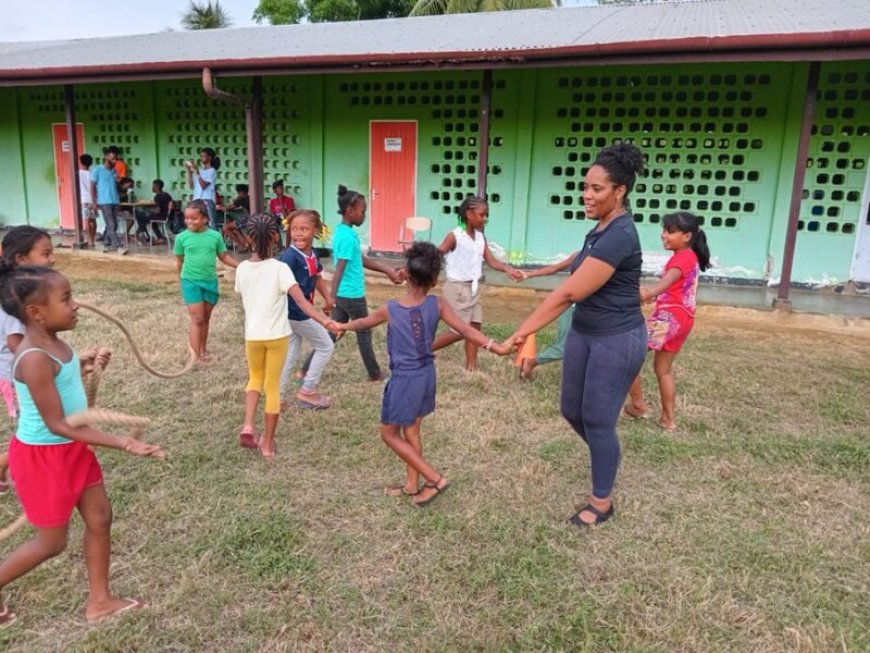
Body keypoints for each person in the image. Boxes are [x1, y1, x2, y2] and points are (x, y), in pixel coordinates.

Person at [0, 263, 163, 626]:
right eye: (67, 299)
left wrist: (84, 366)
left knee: (100, 518)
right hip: (45, 458)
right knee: (51, 543)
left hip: (72, 451)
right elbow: (58, 423)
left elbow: (64, 386)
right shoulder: (33, 358)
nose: (76, 305)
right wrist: (123, 442)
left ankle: (100, 601)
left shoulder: (55, 343)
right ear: (36, 313)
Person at [505, 143, 647, 528]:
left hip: (617, 338)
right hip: (584, 333)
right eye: (585, 186)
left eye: (597, 189)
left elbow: (568, 293)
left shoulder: (620, 233)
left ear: (620, 192)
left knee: (599, 420)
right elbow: (574, 265)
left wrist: (521, 333)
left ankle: (601, 502)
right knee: (572, 409)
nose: (587, 194)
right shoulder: (598, 229)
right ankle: (607, 455)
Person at [336, 242, 511, 506]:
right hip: (426, 375)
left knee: (389, 434)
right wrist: (494, 346)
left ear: (405, 272)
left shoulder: (392, 308)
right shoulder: (438, 304)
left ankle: (434, 479)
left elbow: (364, 322)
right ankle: (411, 485)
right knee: (412, 430)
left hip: (405, 379)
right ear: (433, 279)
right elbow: (465, 330)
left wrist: (342, 325)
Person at [234, 214, 338, 459]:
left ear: (248, 238)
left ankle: (248, 425)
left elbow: (245, 294)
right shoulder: (281, 268)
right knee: (272, 387)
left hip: (253, 336)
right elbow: (302, 302)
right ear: (275, 236)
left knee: (254, 379)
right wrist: (325, 321)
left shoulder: (241, 269)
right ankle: (268, 444)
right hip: (277, 336)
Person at [624, 211, 711, 431]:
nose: (664, 235)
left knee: (627, 353)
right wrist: (654, 295)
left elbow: (669, 279)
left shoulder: (682, 257)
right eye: (664, 230)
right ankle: (668, 420)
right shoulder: (688, 256)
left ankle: (638, 406)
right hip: (684, 319)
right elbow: (674, 287)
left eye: (671, 231)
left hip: (669, 318)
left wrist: (647, 293)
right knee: (663, 370)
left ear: (687, 236)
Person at [432, 196, 523, 372]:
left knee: (475, 327)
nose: (485, 219)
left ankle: (471, 366)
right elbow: (438, 252)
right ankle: (422, 350)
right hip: (457, 289)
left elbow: (490, 260)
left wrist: (506, 268)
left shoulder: (480, 237)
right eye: (482, 215)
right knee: (459, 331)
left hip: (473, 288)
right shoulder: (454, 236)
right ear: (468, 214)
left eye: (486, 215)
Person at [327, 185, 404, 382]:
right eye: (363, 211)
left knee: (336, 330)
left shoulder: (345, 232)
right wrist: (330, 297)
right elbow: (340, 269)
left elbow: (360, 259)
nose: (365, 216)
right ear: (350, 211)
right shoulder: (346, 236)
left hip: (344, 294)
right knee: (363, 331)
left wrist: (387, 270)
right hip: (352, 294)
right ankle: (375, 373)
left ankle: (306, 368)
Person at [0, 227, 56, 494]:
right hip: (19, 375)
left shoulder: (26, 289)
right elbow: (15, 343)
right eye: (45, 254)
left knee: (38, 424)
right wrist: (44, 364)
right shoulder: (15, 295)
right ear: (21, 258)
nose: (52, 259)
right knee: (34, 427)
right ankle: (14, 468)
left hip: (26, 372)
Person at [279, 210, 335, 410]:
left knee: (291, 354)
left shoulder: (311, 254)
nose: (298, 234)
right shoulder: (289, 257)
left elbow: (317, 276)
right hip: (298, 314)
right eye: (294, 229)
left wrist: (328, 298)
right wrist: (322, 318)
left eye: (304, 229)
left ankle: (278, 397)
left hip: (296, 314)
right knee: (326, 346)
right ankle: (308, 391)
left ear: (316, 231)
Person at [174, 200, 238, 363]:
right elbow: (180, 261)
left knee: (206, 318)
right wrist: (180, 280)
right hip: (190, 282)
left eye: (194, 218)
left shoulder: (215, 236)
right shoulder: (181, 238)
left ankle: (203, 350)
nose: (189, 222)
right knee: (197, 319)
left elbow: (223, 256)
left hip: (210, 281)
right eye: (186, 218)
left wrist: (240, 266)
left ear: (205, 219)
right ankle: (195, 356)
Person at [515, 253, 581, 380]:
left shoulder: (612, 257)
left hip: (594, 310)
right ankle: (532, 361)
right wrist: (528, 274)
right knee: (563, 347)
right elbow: (554, 268)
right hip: (572, 307)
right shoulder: (580, 255)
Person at [89, 153, 127, 255]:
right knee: (111, 224)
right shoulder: (97, 170)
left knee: (113, 225)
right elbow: (92, 186)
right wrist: (94, 202)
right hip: (104, 201)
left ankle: (106, 243)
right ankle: (118, 246)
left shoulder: (114, 171)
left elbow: (117, 185)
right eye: (113, 159)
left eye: (116, 159)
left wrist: (121, 182)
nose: (115, 161)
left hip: (115, 201)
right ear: (106, 158)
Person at [184, 148, 219, 230]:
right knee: (197, 224)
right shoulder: (200, 170)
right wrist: (188, 171)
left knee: (212, 225)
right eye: (201, 156)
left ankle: (215, 242)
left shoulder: (212, 171)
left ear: (209, 157)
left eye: (203, 156)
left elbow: (203, 185)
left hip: (207, 201)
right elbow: (191, 186)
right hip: (197, 201)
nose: (201, 158)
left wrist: (197, 172)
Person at [219, 184, 251, 252]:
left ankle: (242, 246)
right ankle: (245, 244)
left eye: (238, 193)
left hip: (247, 220)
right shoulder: (249, 198)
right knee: (235, 228)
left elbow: (229, 207)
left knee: (225, 227)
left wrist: (221, 208)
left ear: (241, 192)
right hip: (250, 219)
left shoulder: (242, 199)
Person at [77, 154, 97, 248]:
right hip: (93, 199)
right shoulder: (92, 173)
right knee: (93, 220)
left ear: (80, 162)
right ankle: (92, 239)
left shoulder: (78, 174)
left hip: (83, 199)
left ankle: (89, 240)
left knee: (87, 221)